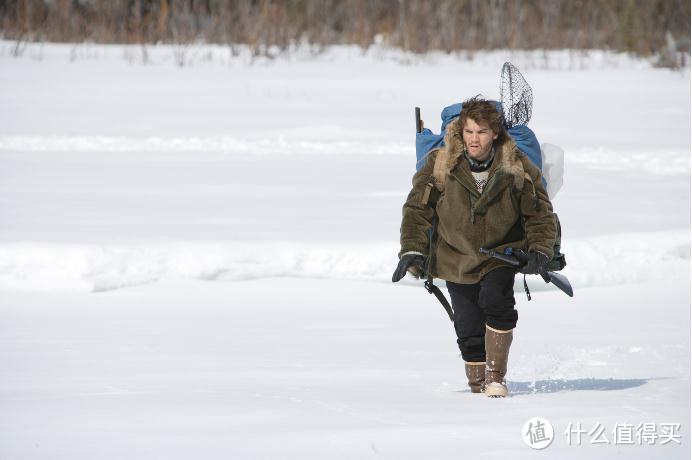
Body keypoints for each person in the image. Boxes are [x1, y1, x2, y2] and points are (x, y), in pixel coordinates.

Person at [392, 96, 557, 398]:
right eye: (468, 132)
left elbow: (539, 213)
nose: (473, 139)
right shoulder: (439, 163)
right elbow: (417, 209)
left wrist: (541, 250)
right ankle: (476, 386)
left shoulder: (516, 164)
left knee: (497, 302)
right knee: (467, 326)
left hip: (501, 253)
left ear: (495, 133)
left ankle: (496, 378)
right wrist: (412, 249)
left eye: (481, 132)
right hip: (456, 255)